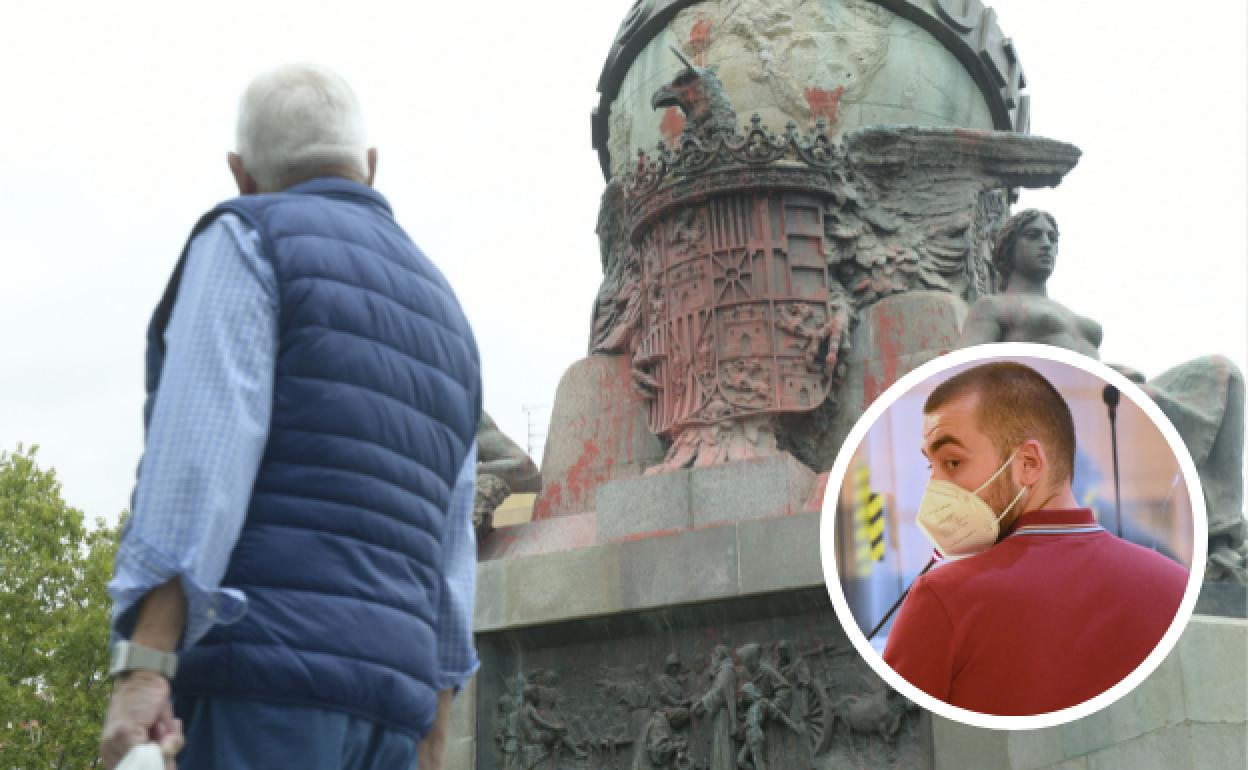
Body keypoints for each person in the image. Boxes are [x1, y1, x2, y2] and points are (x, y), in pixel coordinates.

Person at [98, 63, 482, 769]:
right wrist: (436, 729)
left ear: (240, 174)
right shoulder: (449, 317)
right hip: (392, 718)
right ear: (369, 166)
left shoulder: (247, 240)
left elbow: (199, 464)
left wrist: (146, 663)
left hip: (263, 694)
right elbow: (451, 552)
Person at [882, 362, 1189, 715]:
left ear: (1028, 464)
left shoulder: (941, 600)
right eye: (930, 467)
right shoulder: (1175, 584)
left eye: (952, 463)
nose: (934, 488)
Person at [959, 209, 1246, 580]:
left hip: (1113, 395)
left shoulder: (1071, 315)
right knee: (1145, 400)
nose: (1047, 244)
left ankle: (1222, 540)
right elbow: (967, 372)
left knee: (1224, 374)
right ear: (1007, 251)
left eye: (1052, 237)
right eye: (1033, 235)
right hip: (1062, 409)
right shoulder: (993, 308)